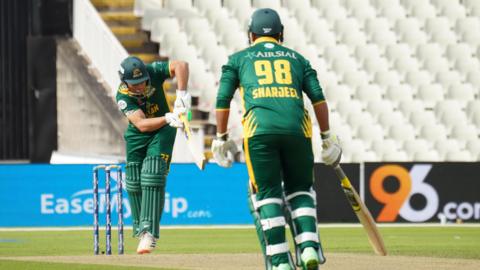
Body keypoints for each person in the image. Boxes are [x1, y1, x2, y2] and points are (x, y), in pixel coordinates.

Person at [212, 8, 342, 270]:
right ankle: (307, 249)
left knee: (268, 195)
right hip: (297, 131)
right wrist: (327, 136)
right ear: (281, 34)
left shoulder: (238, 60)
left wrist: (221, 137)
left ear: (251, 35)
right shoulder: (298, 59)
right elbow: (318, 98)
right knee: (301, 191)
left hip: (259, 133)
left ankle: (281, 262)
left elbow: (222, 100)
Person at [115, 56, 191, 254]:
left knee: (152, 175)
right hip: (139, 133)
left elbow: (181, 65)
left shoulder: (153, 70)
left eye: (142, 82)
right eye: (134, 84)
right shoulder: (123, 96)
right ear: (124, 82)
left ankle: (149, 232)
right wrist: (168, 117)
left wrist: (182, 95)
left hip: (163, 131)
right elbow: (140, 124)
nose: (140, 86)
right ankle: (141, 229)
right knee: (133, 181)